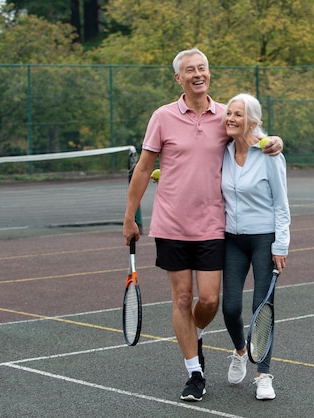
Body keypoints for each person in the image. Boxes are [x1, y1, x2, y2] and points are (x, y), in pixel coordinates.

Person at [122, 48, 283, 402]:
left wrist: (275, 142)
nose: (198, 74)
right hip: (170, 225)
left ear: (209, 74)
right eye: (189, 70)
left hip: (213, 226)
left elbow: (254, 134)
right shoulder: (162, 117)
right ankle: (195, 371)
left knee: (209, 301)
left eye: (203, 68)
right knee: (181, 299)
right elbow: (145, 168)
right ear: (178, 78)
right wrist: (131, 215)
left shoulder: (225, 115)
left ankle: (191, 337)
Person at [220, 93, 290, 400]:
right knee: (230, 306)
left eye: (238, 114)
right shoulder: (221, 150)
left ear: (253, 120)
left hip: (264, 239)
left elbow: (282, 205)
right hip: (231, 240)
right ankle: (239, 351)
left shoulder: (270, 154)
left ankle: (263, 374)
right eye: (229, 113)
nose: (231, 118)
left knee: (261, 308)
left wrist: (281, 245)